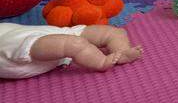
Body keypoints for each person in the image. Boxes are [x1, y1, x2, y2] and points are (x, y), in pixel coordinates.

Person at [0, 22, 143, 79]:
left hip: (45, 35)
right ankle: (101, 61)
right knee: (74, 44)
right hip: (23, 45)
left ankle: (122, 51)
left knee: (115, 32)